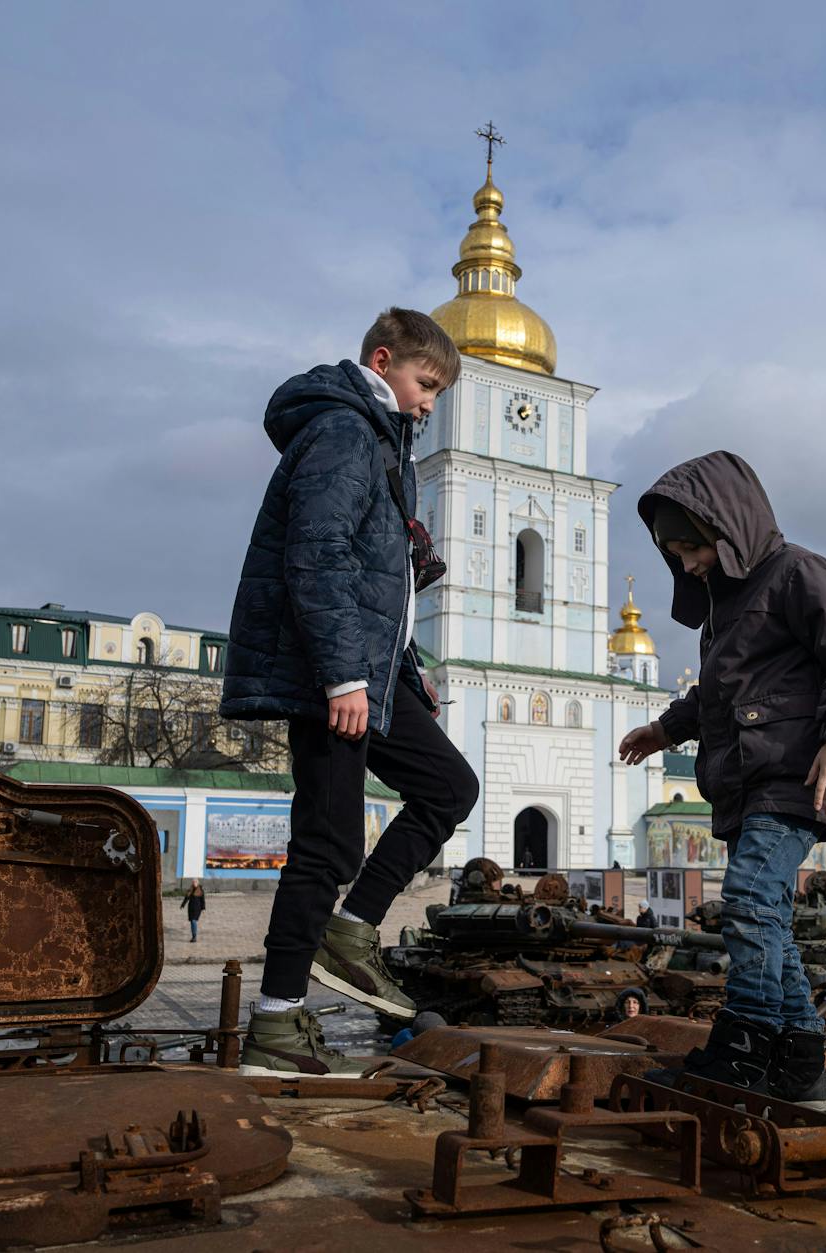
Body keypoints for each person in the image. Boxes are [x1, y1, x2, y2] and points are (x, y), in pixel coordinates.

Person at [220, 308, 479, 1078]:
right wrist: (343, 675)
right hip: (329, 676)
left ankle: (353, 928)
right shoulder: (342, 432)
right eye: (426, 382)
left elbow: (379, 587)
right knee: (325, 843)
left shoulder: (384, 445)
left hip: (373, 670)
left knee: (449, 786)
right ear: (383, 361)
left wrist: (407, 668)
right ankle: (276, 1021)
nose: (430, 401)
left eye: (438, 391)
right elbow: (318, 556)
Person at [620, 451, 826, 1110]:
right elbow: (717, 692)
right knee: (768, 921)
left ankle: (745, 1047)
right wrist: (665, 729)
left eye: (692, 548)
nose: (687, 564)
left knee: (747, 903)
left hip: (793, 775)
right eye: (676, 555)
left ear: (727, 528)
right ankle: (799, 1065)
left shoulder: (796, 573)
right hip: (746, 785)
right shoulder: (726, 606)